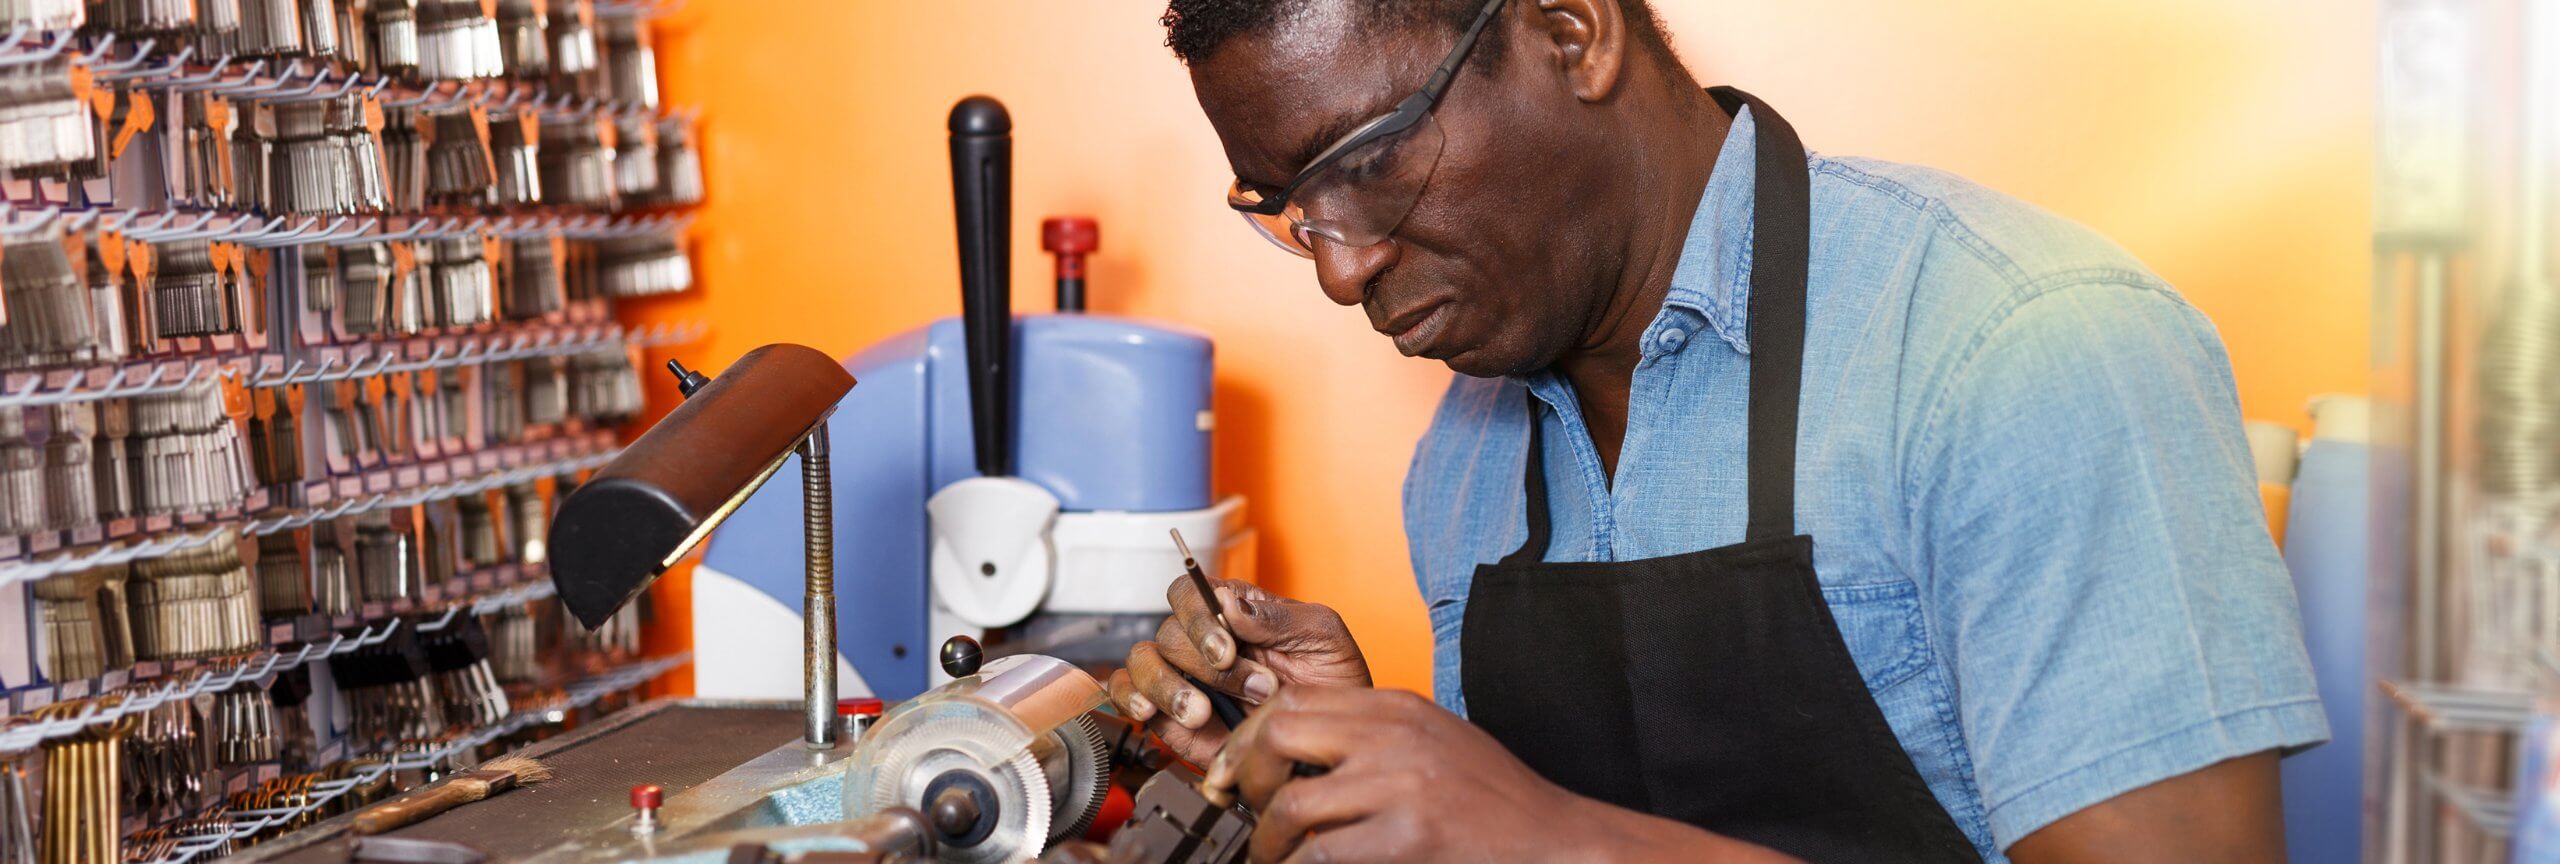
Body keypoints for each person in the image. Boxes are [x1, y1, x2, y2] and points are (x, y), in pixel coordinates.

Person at [1107, 0, 2328, 861]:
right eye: (1289, 211)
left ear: (1569, 30)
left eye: (1365, 163)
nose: (1339, 267)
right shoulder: (1468, 453)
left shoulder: (2020, 347)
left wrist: (1562, 845)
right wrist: (1346, 771)